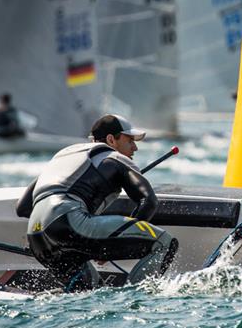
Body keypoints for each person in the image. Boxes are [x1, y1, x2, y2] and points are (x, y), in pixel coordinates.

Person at [16, 114, 178, 292]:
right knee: (164, 243)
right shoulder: (115, 157)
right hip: (68, 221)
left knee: (90, 293)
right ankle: (134, 300)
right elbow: (148, 201)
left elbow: (22, 208)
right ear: (111, 140)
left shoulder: (64, 157)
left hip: (36, 236)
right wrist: (115, 242)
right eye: (129, 140)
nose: (135, 147)